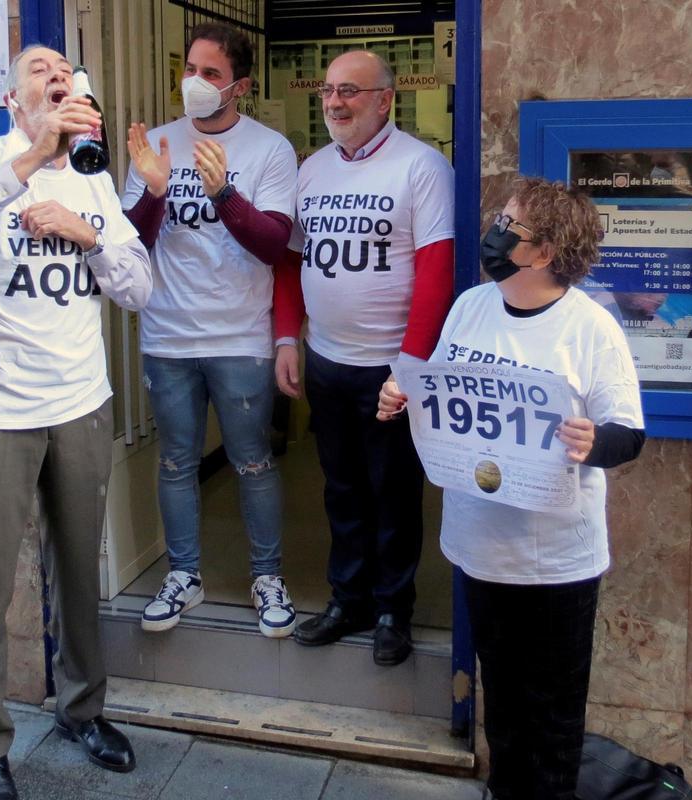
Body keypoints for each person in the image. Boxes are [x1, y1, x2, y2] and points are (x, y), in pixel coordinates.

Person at [0, 44, 152, 800]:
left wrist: (89, 234)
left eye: (66, 75)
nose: (56, 78)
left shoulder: (93, 181)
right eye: (39, 73)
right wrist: (27, 163)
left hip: (78, 402)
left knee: (80, 570)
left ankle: (83, 710)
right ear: (14, 102)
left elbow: (139, 288)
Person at [378, 177, 645, 800]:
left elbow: (628, 433)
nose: (494, 233)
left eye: (509, 226)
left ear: (545, 251)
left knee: (551, 718)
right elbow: (443, 393)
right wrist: (403, 395)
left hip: (556, 561)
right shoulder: (472, 305)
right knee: (501, 702)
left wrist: (591, 441)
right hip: (480, 546)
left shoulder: (591, 327)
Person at [273, 49, 455, 664]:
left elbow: (436, 274)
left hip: (389, 369)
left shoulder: (422, 167)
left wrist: (408, 367)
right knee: (341, 488)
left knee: (393, 493)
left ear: (386, 99)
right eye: (328, 90)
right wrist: (285, 338)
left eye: (350, 91)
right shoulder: (313, 169)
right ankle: (347, 598)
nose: (334, 102)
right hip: (326, 360)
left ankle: (391, 610)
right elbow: (292, 263)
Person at [122, 22, 299, 638]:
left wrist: (223, 193)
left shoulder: (270, 150)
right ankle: (183, 576)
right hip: (168, 337)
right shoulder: (157, 144)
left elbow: (275, 244)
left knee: (252, 461)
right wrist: (152, 190)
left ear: (240, 87)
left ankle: (268, 577)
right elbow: (131, 246)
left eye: (211, 74)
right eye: (191, 69)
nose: (195, 83)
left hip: (241, 339)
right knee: (175, 463)